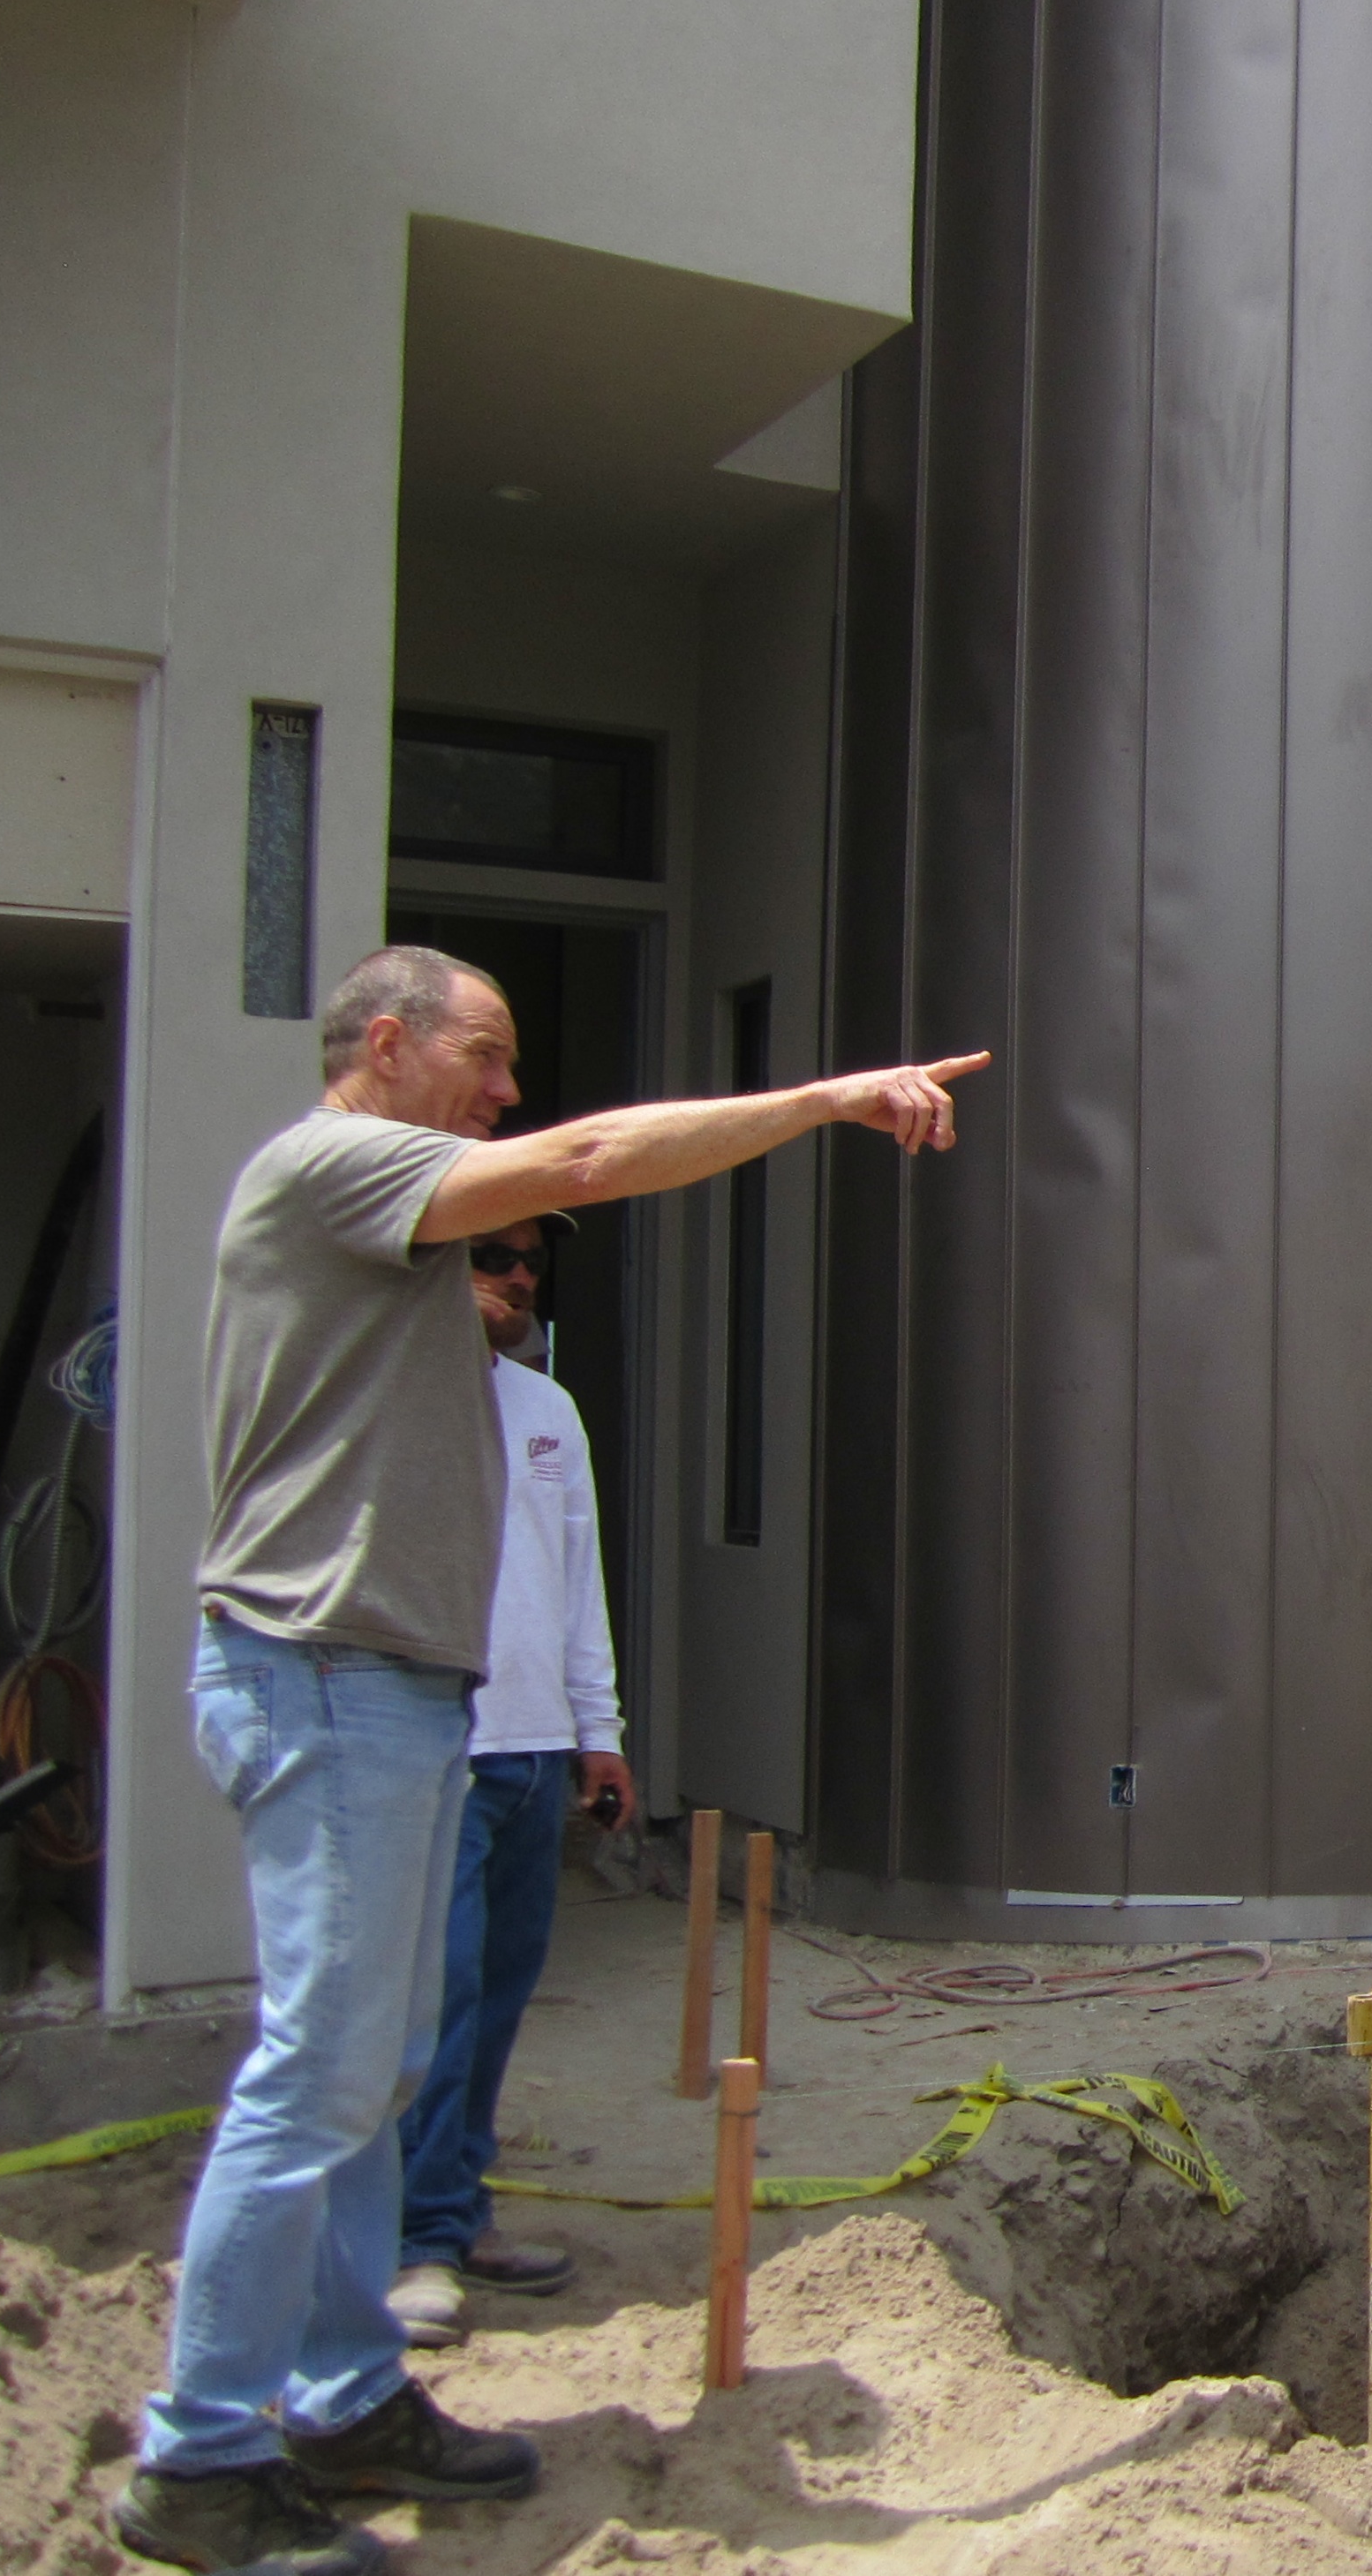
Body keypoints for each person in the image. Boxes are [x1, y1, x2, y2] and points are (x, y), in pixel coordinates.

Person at [116, 945, 984, 2576]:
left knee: (372, 2068)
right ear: (386, 1046)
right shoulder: (335, 1168)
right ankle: (202, 2457)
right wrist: (825, 1097)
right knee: (318, 2073)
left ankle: (344, 2388)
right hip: (327, 1680)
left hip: (378, 1687)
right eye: (488, 1058)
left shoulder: (392, 1223)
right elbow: (587, 1160)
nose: (508, 1093)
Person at [381, 1215, 633, 2347]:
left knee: (497, 1993)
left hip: (533, 1751)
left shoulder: (549, 1412)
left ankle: (455, 2206)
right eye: (492, 1256)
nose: (518, 1276)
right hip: (440, 1740)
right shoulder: (388, 1398)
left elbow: (576, 1581)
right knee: (435, 1995)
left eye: (531, 1261)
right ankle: (411, 2243)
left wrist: (600, 1730)